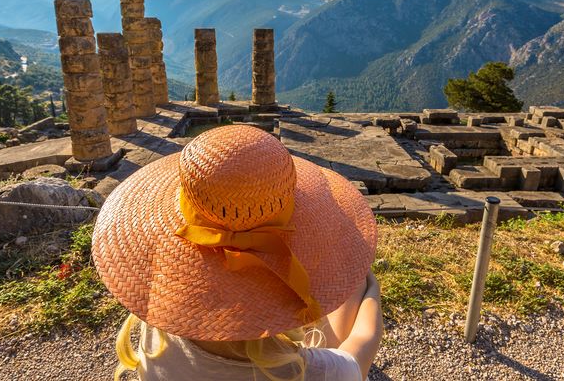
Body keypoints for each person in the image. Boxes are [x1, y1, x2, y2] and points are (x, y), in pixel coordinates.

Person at [92, 125, 383, 380]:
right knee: (354, 287)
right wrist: (371, 289)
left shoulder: (159, 334)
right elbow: (363, 344)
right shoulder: (314, 373)